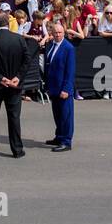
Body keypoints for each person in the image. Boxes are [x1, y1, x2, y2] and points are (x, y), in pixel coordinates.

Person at [0, 14, 33, 158]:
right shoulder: (19, 39)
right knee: (14, 117)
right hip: (14, 85)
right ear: (9, 23)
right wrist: (17, 77)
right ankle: (17, 149)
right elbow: (27, 60)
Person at [42, 22, 74, 152]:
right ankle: (59, 136)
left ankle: (66, 141)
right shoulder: (50, 46)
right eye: (55, 33)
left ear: (64, 33)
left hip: (63, 88)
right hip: (53, 87)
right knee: (57, 114)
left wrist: (66, 89)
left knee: (66, 115)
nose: (58, 35)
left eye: (60, 32)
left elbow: (70, 71)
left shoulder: (68, 48)